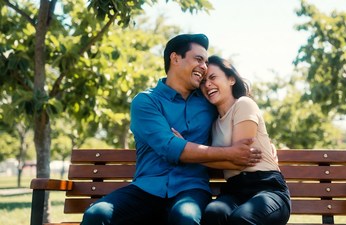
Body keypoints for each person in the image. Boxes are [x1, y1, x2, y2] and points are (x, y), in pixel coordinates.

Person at [81, 34, 262, 225]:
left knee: (185, 218)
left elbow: (235, 114)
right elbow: (170, 147)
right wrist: (225, 153)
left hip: (191, 189)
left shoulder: (208, 102)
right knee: (96, 215)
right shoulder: (146, 101)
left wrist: (264, 144)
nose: (204, 67)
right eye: (198, 59)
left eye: (206, 62)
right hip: (147, 189)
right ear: (175, 58)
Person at [198, 55, 291, 225]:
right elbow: (225, 156)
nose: (207, 84)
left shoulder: (244, 104)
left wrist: (193, 156)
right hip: (234, 191)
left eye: (212, 77)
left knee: (242, 219)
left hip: (267, 189)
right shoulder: (212, 123)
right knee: (213, 213)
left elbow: (240, 159)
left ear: (231, 79)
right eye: (203, 81)